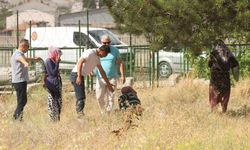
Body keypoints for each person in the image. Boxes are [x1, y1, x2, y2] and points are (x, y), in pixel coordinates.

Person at [70, 45, 114, 118]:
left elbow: (102, 71)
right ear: (102, 51)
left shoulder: (97, 58)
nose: (105, 56)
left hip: (80, 76)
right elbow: (80, 62)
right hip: (76, 75)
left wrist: (108, 84)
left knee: (81, 97)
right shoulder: (90, 52)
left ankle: (80, 114)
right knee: (81, 98)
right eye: (105, 54)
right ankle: (80, 116)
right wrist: (78, 76)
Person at [11, 39, 41, 121]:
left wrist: (33, 59)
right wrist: (25, 63)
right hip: (19, 81)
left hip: (20, 81)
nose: (28, 48)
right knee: (22, 101)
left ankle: (18, 117)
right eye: (28, 47)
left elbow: (24, 58)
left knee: (22, 100)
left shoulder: (19, 53)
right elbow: (21, 59)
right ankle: (16, 118)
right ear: (23, 46)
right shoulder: (18, 54)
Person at [95, 35, 125, 114]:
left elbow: (120, 63)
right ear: (101, 42)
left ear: (110, 42)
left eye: (108, 42)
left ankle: (108, 113)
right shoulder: (98, 51)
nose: (106, 44)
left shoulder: (115, 51)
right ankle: (103, 111)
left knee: (111, 97)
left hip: (112, 77)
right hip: (100, 77)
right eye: (104, 43)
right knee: (99, 97)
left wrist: (122, 75)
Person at [208, 39, 239, 113]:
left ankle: (214, 111)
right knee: (225, 95)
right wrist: (236, 77)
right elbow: (235, 65)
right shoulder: (229, 53)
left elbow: (209, 65)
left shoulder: (214, 53)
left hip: (215, 78)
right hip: (225, 79)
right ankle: (223, 111)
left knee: (214, 95)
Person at [44, 46, 63, 121]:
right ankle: (52, 119)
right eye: (58, 54)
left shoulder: (53, 60)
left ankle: (57, 118)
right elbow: (53, 73)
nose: (59, 56)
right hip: (52, 85)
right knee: (52, 102)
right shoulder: (49, 61)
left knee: (58, 102)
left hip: (56, 84)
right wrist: (57, 62)